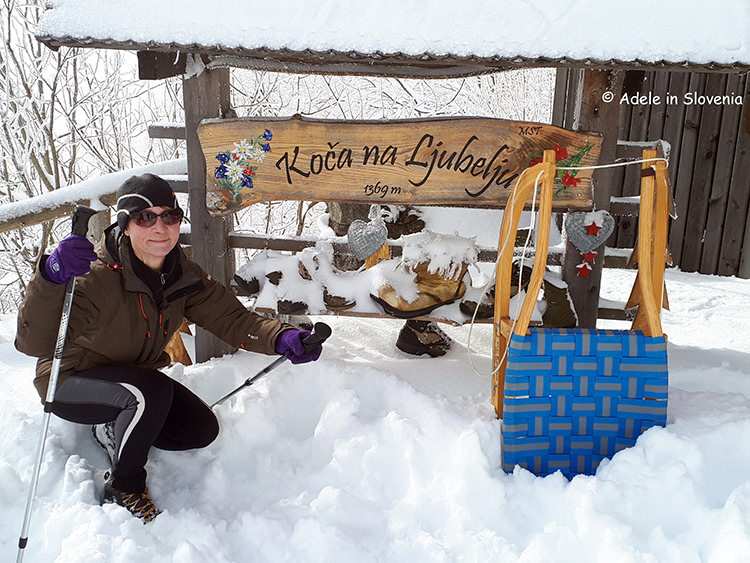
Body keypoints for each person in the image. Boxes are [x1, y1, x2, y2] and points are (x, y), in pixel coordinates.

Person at [15, 173, 323, 522]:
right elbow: (33, 343)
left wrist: (280, 337)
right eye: (145, 217)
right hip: (69, 380)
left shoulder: (181, 275)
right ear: (125, 225)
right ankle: (124, 486)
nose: (160, 227)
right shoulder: (92, 275)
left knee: (199, 429)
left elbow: (233, 319)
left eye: (170, 216)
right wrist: (52, 276)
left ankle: (115, 427)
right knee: (150, 392)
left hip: (133, 382)